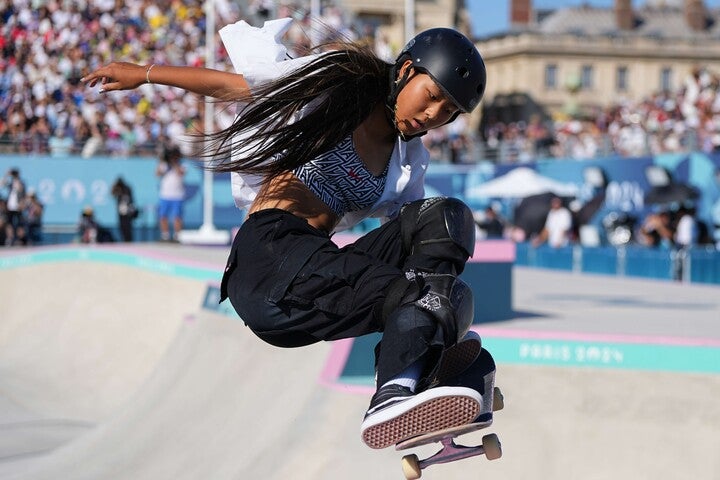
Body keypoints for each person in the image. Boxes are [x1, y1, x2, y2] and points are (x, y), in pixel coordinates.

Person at [82, 19, 488, 449]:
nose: (432, 116)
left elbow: (420, 243)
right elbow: (237, 87)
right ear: (406, 70)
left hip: (314, 276)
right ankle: (396, 389)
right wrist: (144, 74)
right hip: (269, 260)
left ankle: (407, 379)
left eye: (448, 113)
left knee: (447, 220)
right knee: (428, 296)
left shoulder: (409, 163)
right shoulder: (339, 84)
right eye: (432, 97)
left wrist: (434, 313)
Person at [155, 146, 186, 242]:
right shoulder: (164, 165)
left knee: (177, 216)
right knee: (163, 215)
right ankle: (165, 236)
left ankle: (177, 236)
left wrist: (174, 163)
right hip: (165, 194)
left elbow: (181, 173)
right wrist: (162, 159)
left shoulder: (182, 164)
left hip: (177, 195)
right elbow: (157, 173)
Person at [1, 168, 26, 246]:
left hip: (18, 206)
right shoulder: (10, 183)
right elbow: (2, 184)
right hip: (10, 206)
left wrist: (17, 179)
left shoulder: (21, 182)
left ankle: (20, 239)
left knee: (19, 224)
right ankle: (10, 239)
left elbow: (22, 191)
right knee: (9, 223)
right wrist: (6, 175)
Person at [111, 177, 138, 242]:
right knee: (122, 226)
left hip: (128, 211)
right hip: (121, 211)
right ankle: (125, 240)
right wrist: (115, 187)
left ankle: (129, 240)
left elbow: (130, 200)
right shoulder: (118, 189)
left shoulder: (127, 188)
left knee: (128, 227)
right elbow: (112, 194)